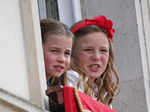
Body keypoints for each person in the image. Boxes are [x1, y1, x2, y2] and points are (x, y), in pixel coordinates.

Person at [65, 15, 119, 106]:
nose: (97, 57)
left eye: (103, 50)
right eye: (88, 50)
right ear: (72, 54)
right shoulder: (71, 79)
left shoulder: (100, 91)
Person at [40, 18, 73, 112]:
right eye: (54, 51)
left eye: (67, 53)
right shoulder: (27, 85)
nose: (62, 59)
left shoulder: (59, 94)